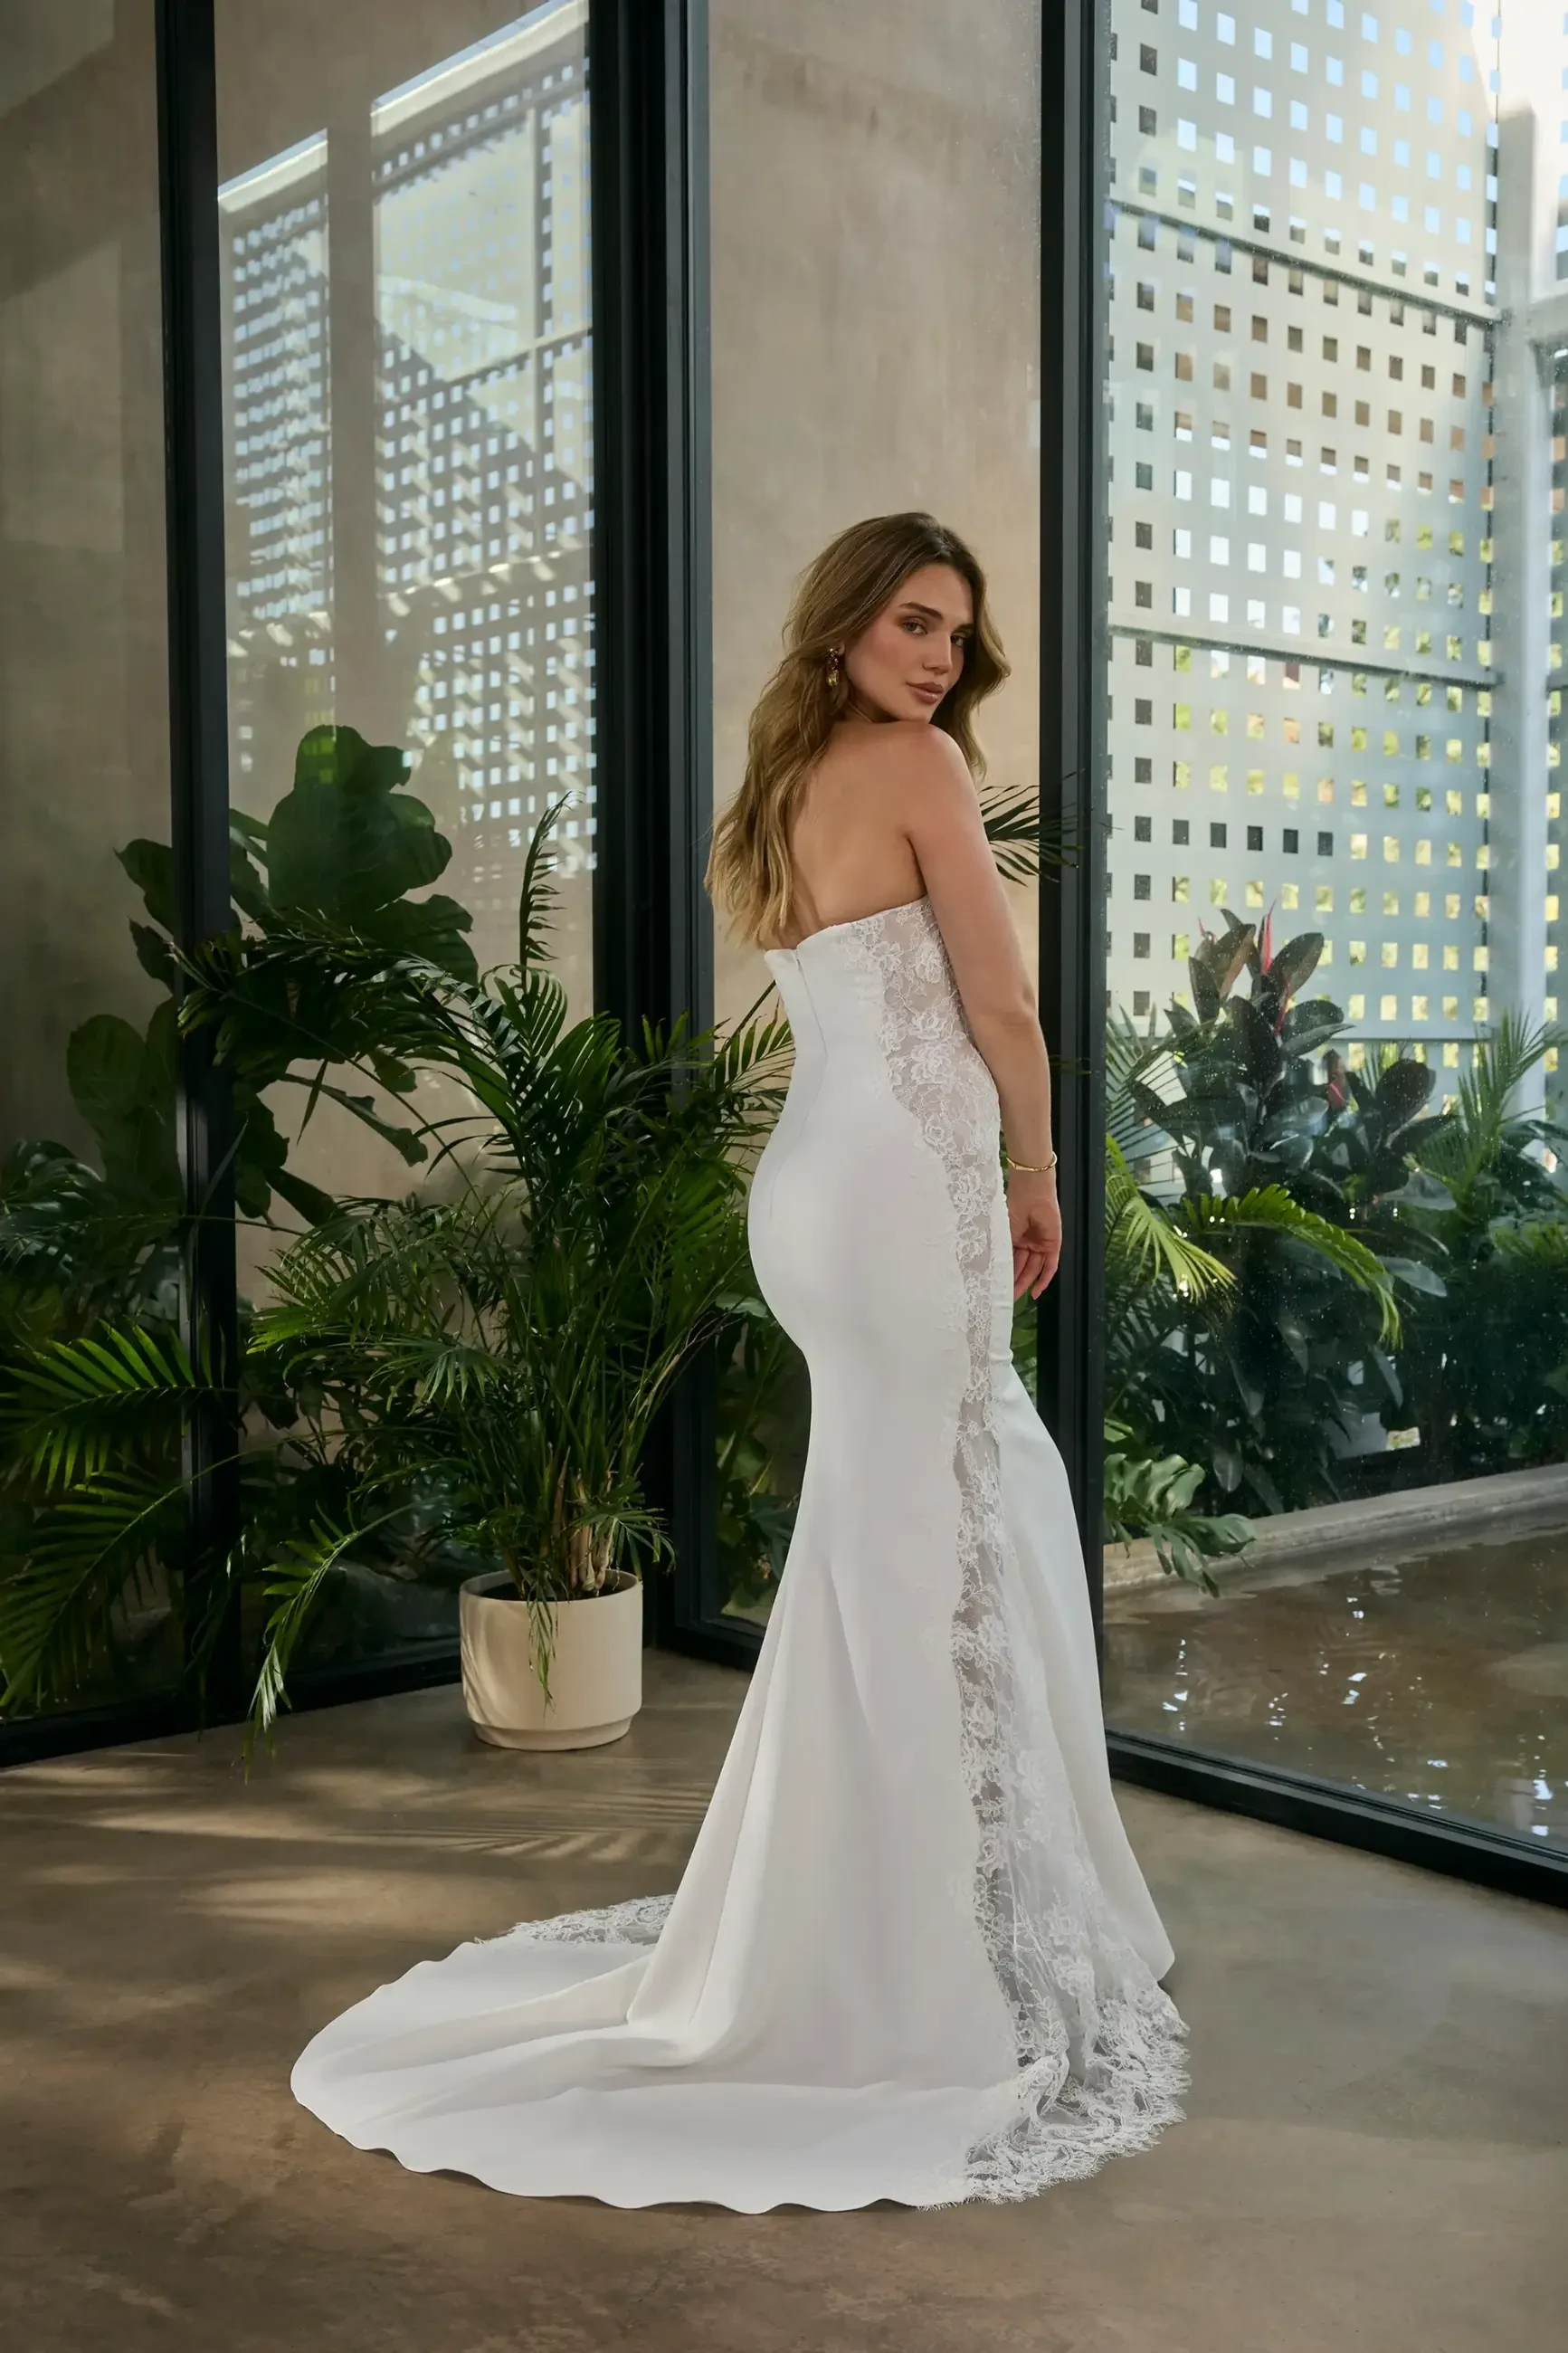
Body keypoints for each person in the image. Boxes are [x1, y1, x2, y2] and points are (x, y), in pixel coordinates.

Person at [291, 510, 1188, 2211]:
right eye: (914, 622)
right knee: (938, 1528)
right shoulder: (913, 765)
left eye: (954, 635)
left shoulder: (779, 784)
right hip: (904, 1195)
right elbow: (1002, 1006)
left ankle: (871, 1905)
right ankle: (928, 1952)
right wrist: (1041, 1167)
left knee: (897, 1528)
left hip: (816, 1193)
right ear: (848, 622)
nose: (936, 658)